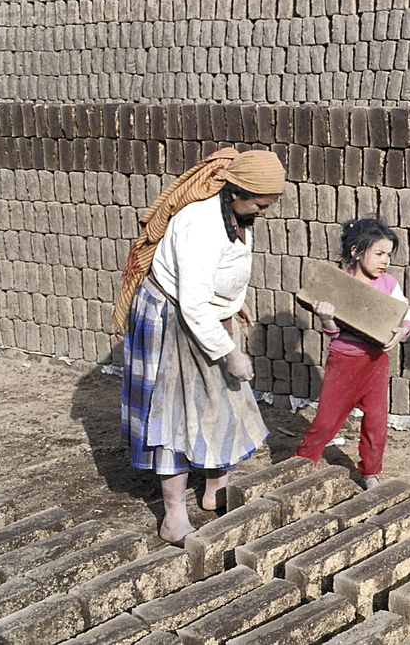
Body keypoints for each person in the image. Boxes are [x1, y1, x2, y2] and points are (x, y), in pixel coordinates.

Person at [113, 148, 285, 546]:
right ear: (237, 190)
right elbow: (191, 301)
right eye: (259, 204)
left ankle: (214, 490)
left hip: (205, 314)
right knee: (173, 415)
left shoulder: (236, 213)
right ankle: (173, 516)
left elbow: (219, 270)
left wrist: (231, 300)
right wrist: (229, 352)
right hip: (172, 318)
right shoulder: (201, 223)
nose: (261, 212)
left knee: (220, 402)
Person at [294, 216, 410, 489]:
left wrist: (401, 331)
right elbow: (335, 333)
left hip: (375, 362)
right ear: (356, 252)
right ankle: (301, 463)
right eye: (379, 253)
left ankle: (370, 471)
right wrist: (326, 320)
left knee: (375, 423)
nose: (385, 261)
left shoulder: (389, 285)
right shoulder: (338, 286)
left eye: (389, 255)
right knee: (326, 421)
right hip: (344, 361)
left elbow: (405, 314)